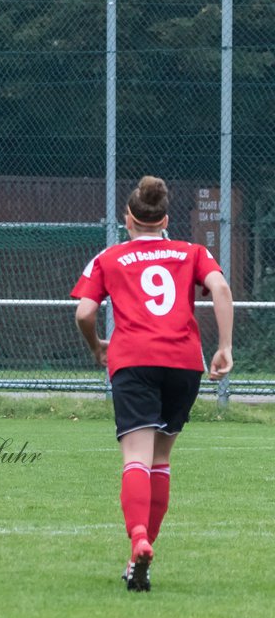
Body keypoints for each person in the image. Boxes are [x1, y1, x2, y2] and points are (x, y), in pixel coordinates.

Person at [71, 175, 233, 592]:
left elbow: (85, 313)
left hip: (134, 361)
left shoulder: (108, 257)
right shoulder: (192, 251)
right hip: (183, 363)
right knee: (161, 459)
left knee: (136, 458)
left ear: (128, 218)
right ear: (165, 219)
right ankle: (135, 560)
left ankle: (138, 536)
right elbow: (220, 287)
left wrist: (96, 347)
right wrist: (225, 346)